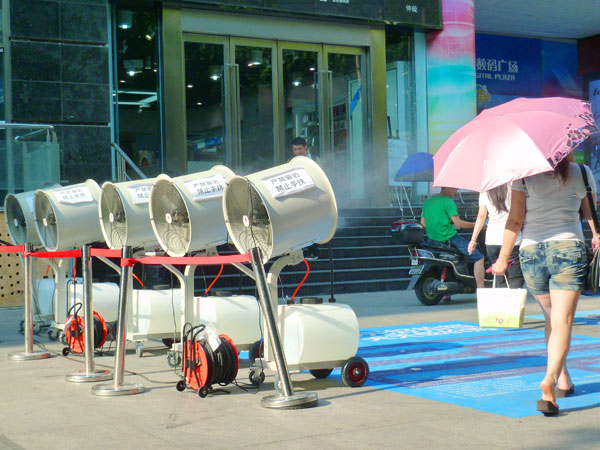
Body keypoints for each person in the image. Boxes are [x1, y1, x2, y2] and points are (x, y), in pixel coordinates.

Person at [491, 153, 599, 416]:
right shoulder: (582, 172)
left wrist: (503, 258)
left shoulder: (524, 177)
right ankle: (549, 380)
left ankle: (563, 379)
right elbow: (589, 213)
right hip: (568, 248)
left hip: (532, 253)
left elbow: (515, 221)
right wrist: (595, 234)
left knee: (551, 319)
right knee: (562, 321)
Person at [420, 187, 485, 289]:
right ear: (448, 188)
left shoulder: (428, 202)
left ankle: (447, 293)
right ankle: (481, 289)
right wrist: (477, 225)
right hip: (448, 237)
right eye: (455, 189)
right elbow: (458, 223)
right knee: (478, 257)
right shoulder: (448, 201)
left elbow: (423, 223)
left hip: (432, 240)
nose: (456, 192)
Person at [468, 184, 524, 288]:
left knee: (499, 275)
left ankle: (502, 303)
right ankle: (514, 303)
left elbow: (481, 216)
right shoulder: (514, 186)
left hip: (492, 240)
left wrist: (473, 239)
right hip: (512, 240)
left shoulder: (485, 190)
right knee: (514, 276)